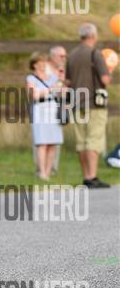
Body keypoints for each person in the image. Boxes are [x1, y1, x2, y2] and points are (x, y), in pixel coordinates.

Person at [65, 23, 112, 188]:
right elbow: (105, 80)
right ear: (93, 35)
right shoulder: (95, 53)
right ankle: (92, 176)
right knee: (94, 139)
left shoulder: (72, 55)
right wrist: (109, 71)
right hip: (94, 103)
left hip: (77, 103)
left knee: (81, 141)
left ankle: (86, 176)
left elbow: (67, 81)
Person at [26, 53, 64, 181]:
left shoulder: (53, 78)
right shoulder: (31, 79)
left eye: (44, 62)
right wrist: (50, 90)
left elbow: (61, 92)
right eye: (40, 62)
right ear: (34, 65)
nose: (43, 64)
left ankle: (48, 172)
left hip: (53, 110)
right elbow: (34, 95)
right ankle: (41, 172)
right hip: (39, 111)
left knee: (52, 143)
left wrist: (60, 83)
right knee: (42, 143)